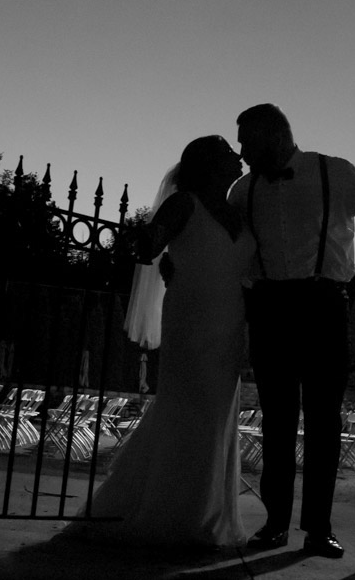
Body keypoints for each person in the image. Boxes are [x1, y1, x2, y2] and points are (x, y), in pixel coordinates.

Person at [230, 104, 355, 558]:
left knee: (324, 421)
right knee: (277, 420)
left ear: (277, 136)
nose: (242, 152)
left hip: (322, 306)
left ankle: (318, 528)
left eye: (248, 141)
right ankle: (274, 524)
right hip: (269, 308)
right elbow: (229, 244)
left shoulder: (331, 172)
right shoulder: (242, 190)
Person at [66, 135, 252, 549]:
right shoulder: (184, 203)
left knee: (217, 417)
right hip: (190, 320)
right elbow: (149, 245)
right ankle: (173, 514)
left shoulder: (239, 209)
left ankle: (205, 514)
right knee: (187, 410)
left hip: (229, 327)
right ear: (206, 164)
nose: (237, 157)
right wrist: (151, 246)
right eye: (226, 154)